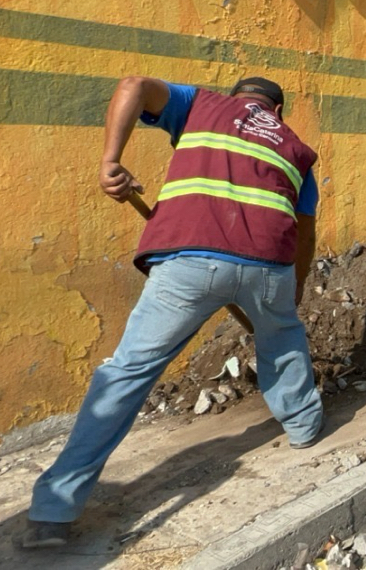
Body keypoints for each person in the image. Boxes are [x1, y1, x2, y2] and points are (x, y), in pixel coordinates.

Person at [22, 76, 323, 548]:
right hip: (269, 268)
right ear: (278, 110)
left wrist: (110, 163)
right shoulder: (296, 147)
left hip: (189, 261)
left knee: (128, 371)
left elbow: (133, 86)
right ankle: (305, 427)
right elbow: (304, 233)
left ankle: (53, 512)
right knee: (282, 336)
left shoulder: (202, 104)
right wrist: (295, 289)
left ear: (236, 96)